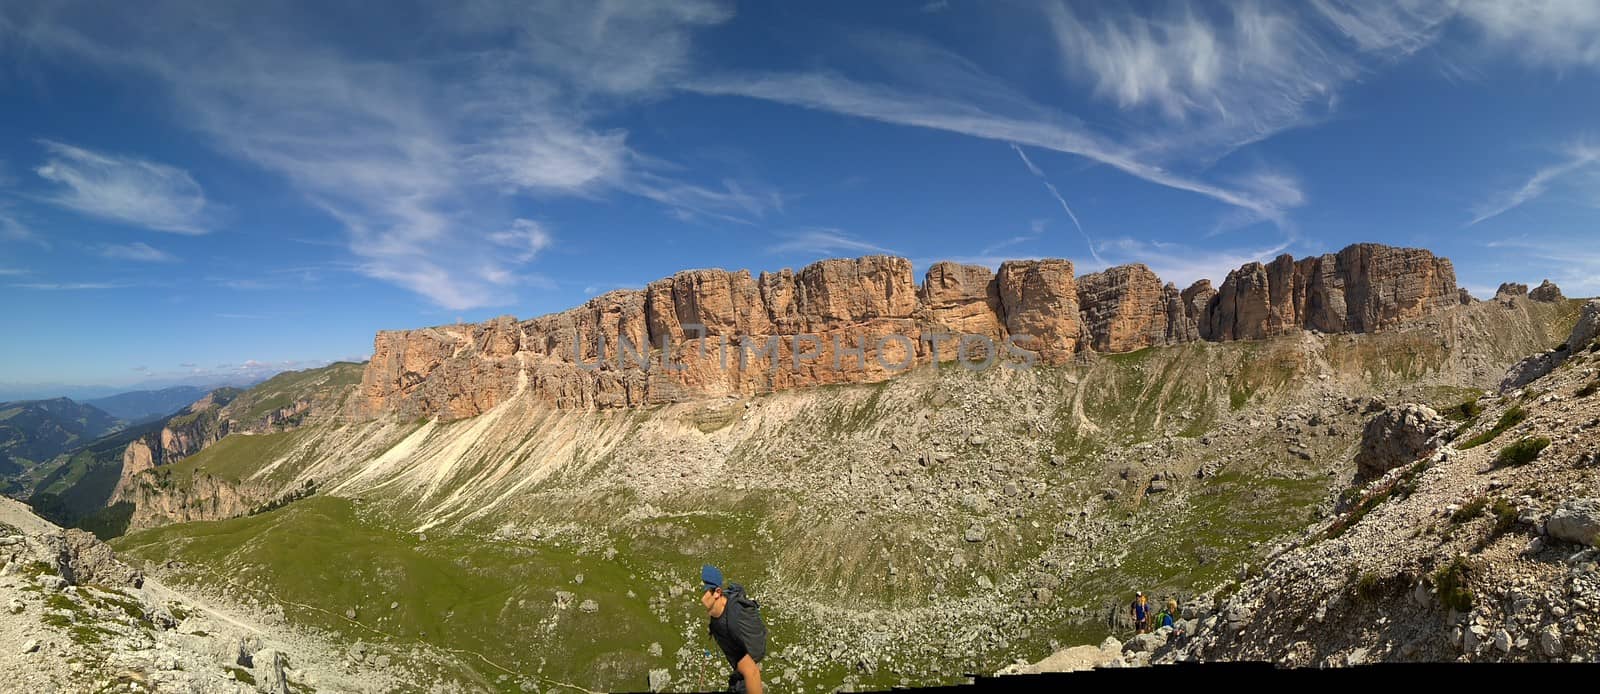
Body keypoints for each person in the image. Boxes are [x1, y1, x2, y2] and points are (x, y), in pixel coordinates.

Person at [700, 564, 767, 694]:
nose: (700, 596)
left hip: (745, 678)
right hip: (739, 673)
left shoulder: (731, 624)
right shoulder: (719, 611)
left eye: (703, 591)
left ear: (717, 593)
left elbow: (752, 673)